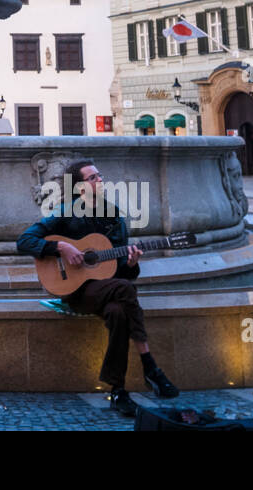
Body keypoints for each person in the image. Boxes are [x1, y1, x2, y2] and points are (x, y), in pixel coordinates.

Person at [17, 158, 179, 418]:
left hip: (107, 290)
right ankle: (150, 366)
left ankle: (118, 391)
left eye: (99, 176)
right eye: (92, 178)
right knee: (125, 292)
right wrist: (61, 247)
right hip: (76, 292)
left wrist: (131, 261)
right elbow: (24, 241)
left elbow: (121, 272)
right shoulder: (65, 212)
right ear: (80, 187)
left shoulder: (113, 216)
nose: (100, 180)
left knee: (118, 311)